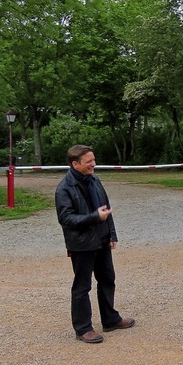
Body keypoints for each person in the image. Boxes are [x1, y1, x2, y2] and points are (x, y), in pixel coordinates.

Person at [55, 145, 135, 344]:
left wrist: (112, 234)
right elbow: (66, 219)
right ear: (75, 164)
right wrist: (94, 217)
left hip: (102, 240)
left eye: (94, 160)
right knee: (82, 286)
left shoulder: (95, 180)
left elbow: (106, 209)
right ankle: (83, 328)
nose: (94, 164)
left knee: (108, 279)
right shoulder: (64, 188)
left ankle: (110, 320)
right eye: (89, 161)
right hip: (82, 245)